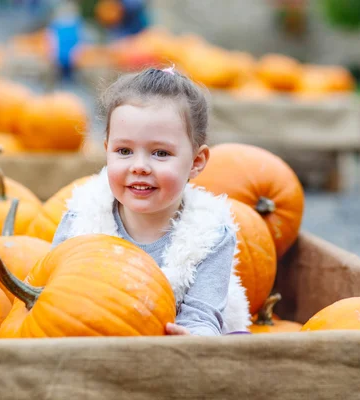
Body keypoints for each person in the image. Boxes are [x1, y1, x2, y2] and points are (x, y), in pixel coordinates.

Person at [51, 67, 251, 336]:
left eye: (160, 153)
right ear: (106, 150)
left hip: (171, 356)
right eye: (124, 151)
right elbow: (54, 295)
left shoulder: (210, 234)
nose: (140, 166)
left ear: (196, 162)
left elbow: (202, 317)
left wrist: (192, 338)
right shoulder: (82, 220)